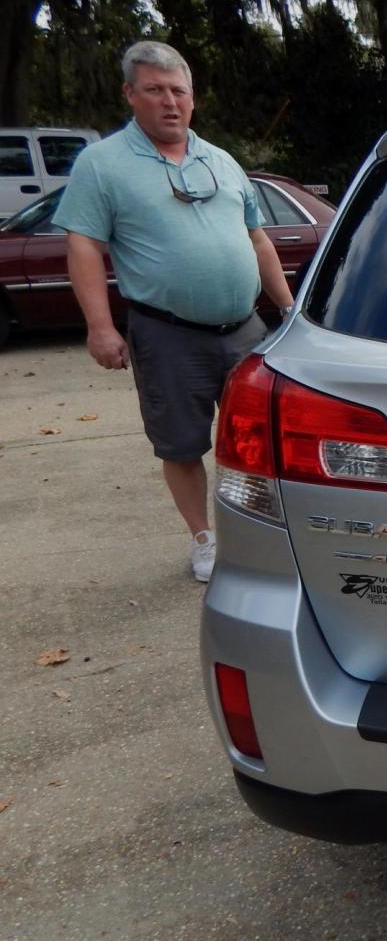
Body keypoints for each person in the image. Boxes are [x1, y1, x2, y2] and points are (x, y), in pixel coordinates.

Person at [54, 40, 294, 582]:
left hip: (246, 331)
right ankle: (204, 540)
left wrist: (288, 308)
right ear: (130, 95)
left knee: (265, 441)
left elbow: (257, 239)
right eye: (155, 90)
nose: (169, 102)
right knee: (182, 442)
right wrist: (99, 327)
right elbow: (85, 246)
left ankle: (267, 532)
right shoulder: (102, 164)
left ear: (193, 98)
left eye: (178, 91)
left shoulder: (222, 160)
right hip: (167, 334)